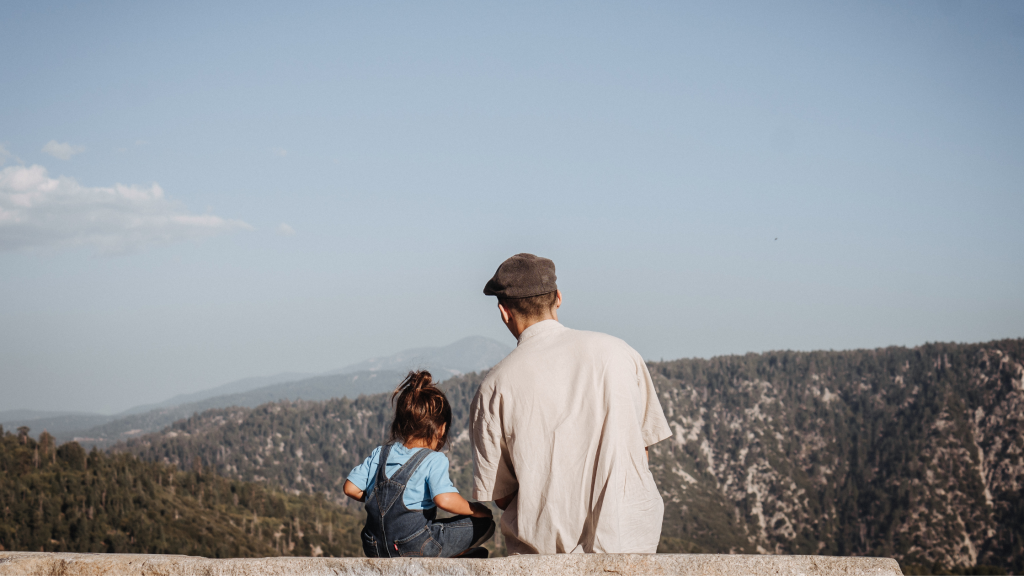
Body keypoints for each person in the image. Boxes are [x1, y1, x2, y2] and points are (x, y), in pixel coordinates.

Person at [470, 253, 672, 554]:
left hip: (545, 560)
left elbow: (500, 495)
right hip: (630, 550)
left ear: (504, 312)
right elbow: (640, 451)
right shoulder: (620, 354)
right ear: (558, 298)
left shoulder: (494, 387)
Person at [344, 371, 495, 558]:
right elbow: (445, 500)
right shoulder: (433, 459)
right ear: (441, 429)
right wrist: (476, 509)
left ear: (399, 424)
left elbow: (350, 488)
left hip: (374, 546)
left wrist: (378, 497)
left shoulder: (380, 453)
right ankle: (450, 558)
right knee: (485, 524)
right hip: (414, 547)